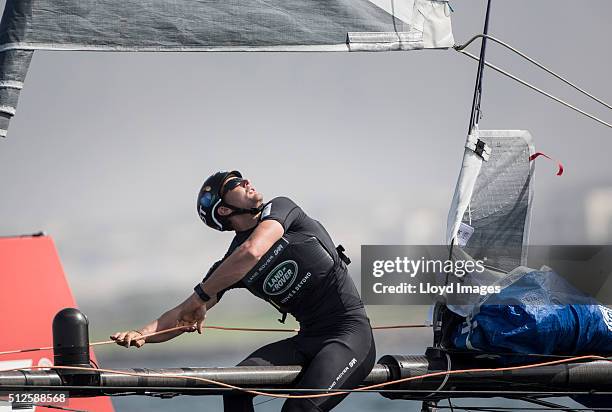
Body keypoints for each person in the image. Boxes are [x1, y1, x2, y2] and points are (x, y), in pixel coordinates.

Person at [111, 170, 376, 411]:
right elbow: (184, 314)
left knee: (299, 410)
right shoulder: (228, 267)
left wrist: (200, 297)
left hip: (349, 333)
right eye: (235, 183)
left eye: (242, 178)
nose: (246, 181)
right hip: (309, 339)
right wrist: (142, 333)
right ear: (224, 210)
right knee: (235, 390)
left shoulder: (282, 208)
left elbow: (252, 251)